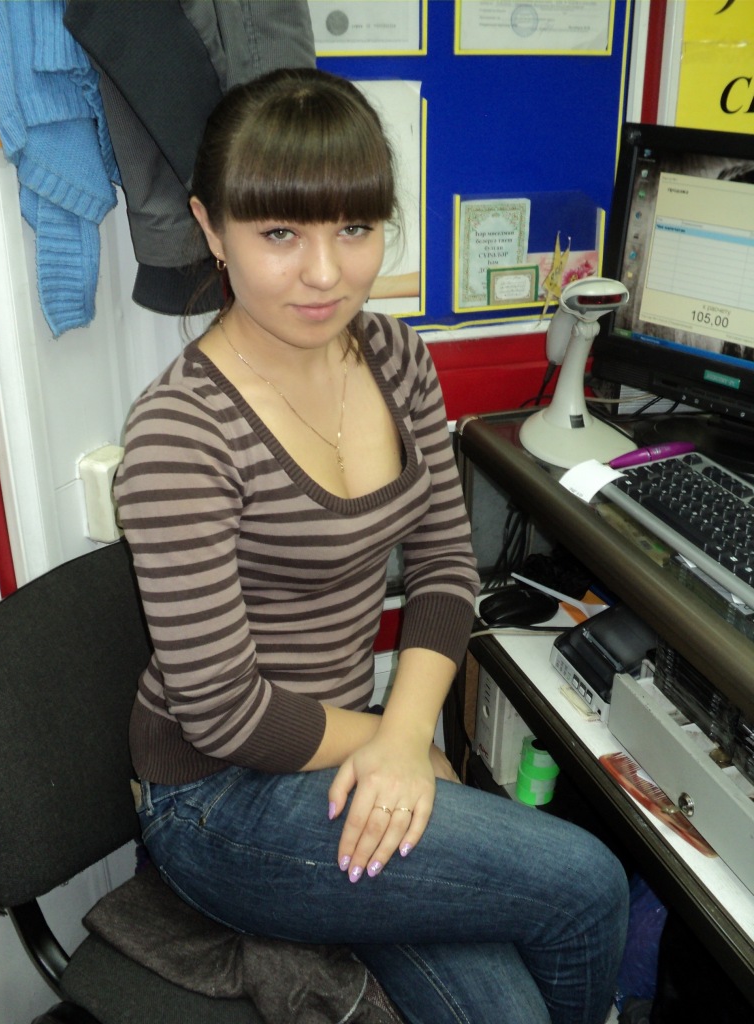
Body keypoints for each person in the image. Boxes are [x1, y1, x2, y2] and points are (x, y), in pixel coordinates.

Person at [114, 67, 628, 1024]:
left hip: (347, 745)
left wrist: (405, 732)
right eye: (280, 233)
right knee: (585, 884)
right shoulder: (178, 434)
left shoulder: (396, 356)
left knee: (509, 1009)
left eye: (354, 227)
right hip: (219, 797)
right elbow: (224, 715)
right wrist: (398, 744)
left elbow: (443, 566)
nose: (325, 273)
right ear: (211, 229)